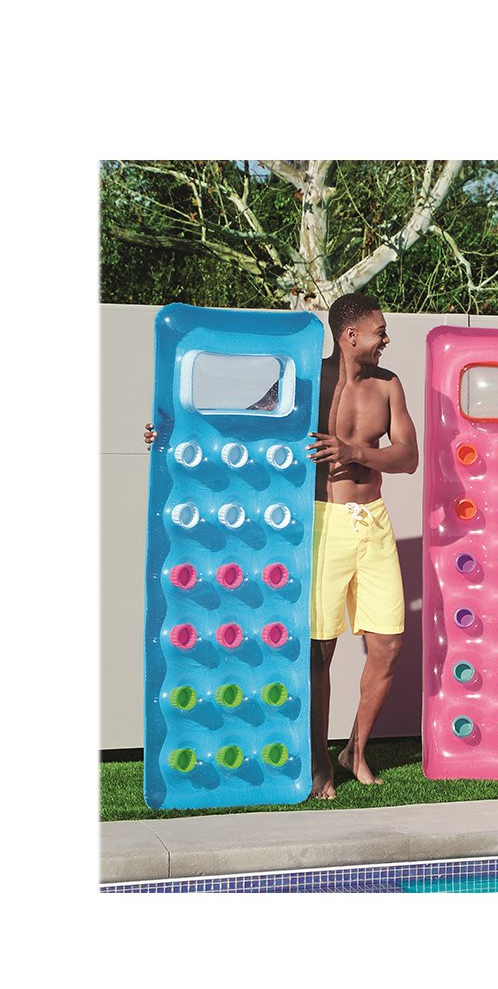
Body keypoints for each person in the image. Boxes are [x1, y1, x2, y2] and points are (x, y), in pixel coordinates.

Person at [145, 293, 417, 799]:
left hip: (372, 522)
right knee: (319, 651)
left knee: (389, 646)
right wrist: (175, 434)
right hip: (321, 522)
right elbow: (244, 424)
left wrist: (355, 452)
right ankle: (319, 760)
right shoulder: (307, 380)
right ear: (351, 334)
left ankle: (356, 750)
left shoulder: (388, 385)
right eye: (379, 330)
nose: (386, 338)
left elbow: (408, 457)